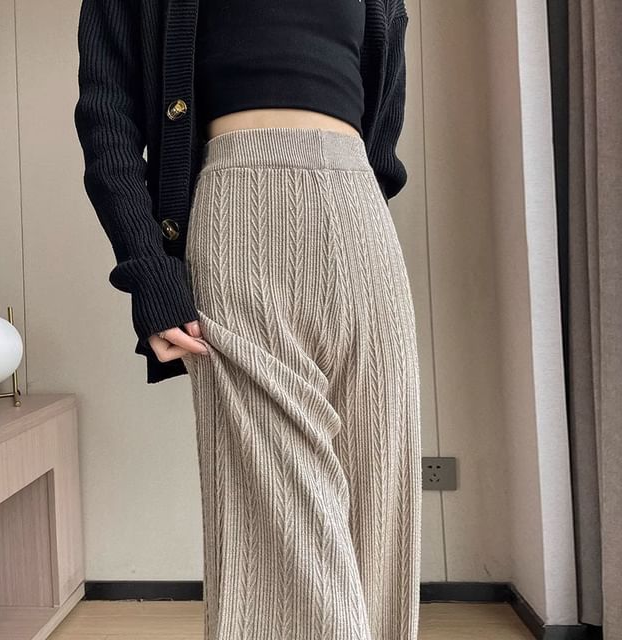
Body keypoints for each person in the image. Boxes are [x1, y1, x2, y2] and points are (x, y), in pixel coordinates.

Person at [74, 1, 421, 639]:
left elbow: (384, 109)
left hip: (361, 211)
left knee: (380, 512)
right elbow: (107, 116)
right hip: (239, 206)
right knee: (278, 539)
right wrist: (150, 272)